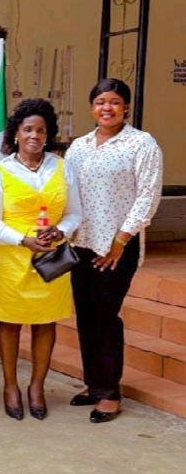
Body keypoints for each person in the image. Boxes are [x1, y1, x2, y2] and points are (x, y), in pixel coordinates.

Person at [66, 78, 163, 423]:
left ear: (126, 108)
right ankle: (94, 384)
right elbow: (67, 191)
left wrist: (120, 240)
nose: (107, 108)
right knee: (85, 315)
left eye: (115, 102)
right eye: (100, 102)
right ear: (92, 107)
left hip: (117, 247)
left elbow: (148, 196)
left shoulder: (141, 144)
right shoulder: (78, 146)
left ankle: (109, 392)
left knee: (106, 315)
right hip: (81, 243)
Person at [0, 98, 83, 420]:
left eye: (41, 130)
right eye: (28, 130)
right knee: (9, 322)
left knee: (45, 321)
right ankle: (10, 386)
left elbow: (75, 213)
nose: (34, 136)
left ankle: (37, 386)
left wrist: (60, 230)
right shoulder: (0, 172)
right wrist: (23, 240)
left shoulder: (62, 168)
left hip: (51, 258)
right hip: (11, 258)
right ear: (16, 133)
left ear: (48, 134)